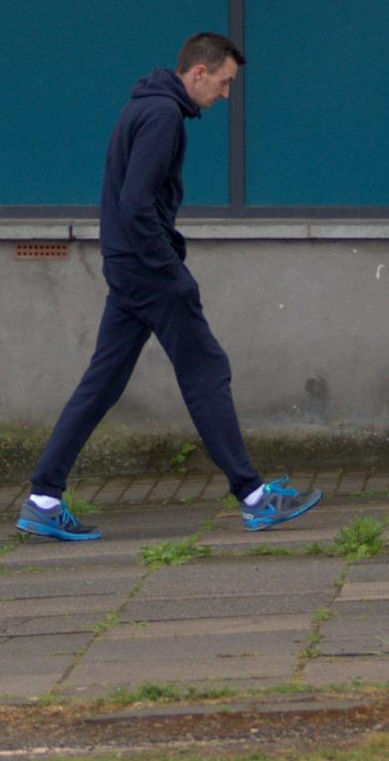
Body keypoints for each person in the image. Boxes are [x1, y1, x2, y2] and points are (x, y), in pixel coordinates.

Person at [18, 34, 323, 543]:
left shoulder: (145, 107)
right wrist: (170, 268)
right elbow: (136, 203)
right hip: (147, 270)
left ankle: (43, 497)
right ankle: (254, 497)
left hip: (127, 266)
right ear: (198, 73)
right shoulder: (162, 117)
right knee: (206, 370)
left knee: (104, 382)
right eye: (224, 83)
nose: (226, 95)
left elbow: (132, 201)